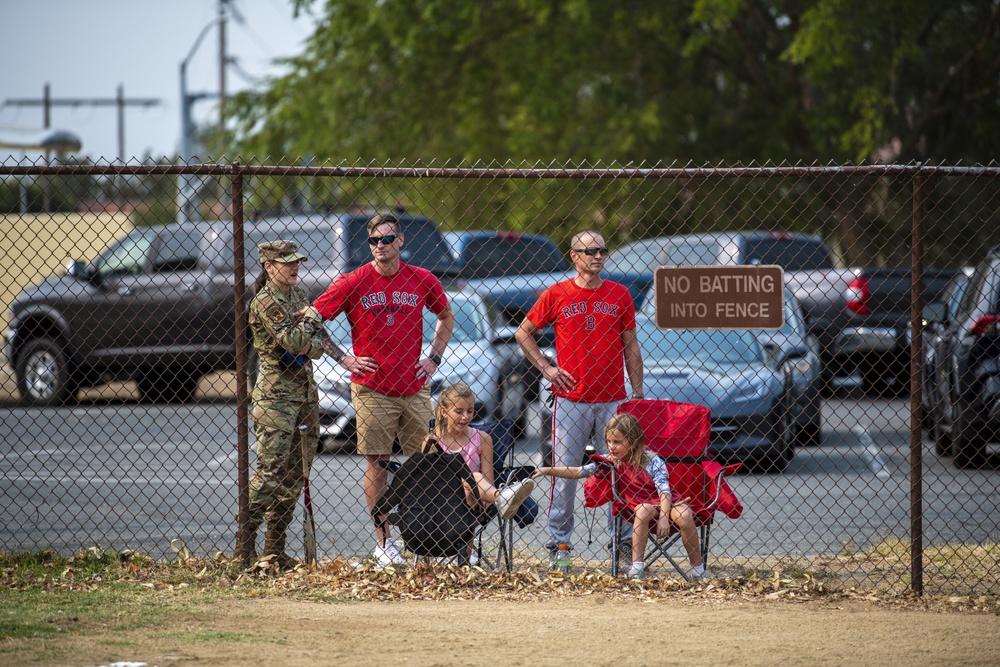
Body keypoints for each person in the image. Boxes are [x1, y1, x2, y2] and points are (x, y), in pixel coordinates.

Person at [313, 213, 454, 567]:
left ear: (400, 241)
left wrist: (433, 358)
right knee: (377, 462)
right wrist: (344, 359)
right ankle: (384, 543)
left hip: (414, 386)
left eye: (387, 240)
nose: (379, 246)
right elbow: (313, 318)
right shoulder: (353, 281)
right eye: (374, 241)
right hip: (372, 387)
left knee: (428, 461)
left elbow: (446, 316)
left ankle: (428, 540)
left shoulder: (422, 279)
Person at [515, 229, 644, 565]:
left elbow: (630, 345)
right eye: (589, 251)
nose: (597, 256)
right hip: (571, 399)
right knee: (564, 473)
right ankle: (560, 546)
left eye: (602, 250)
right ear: (574, 256)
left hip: (613, 399)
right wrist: (547, 368)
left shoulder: (620, 294)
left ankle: (623, 544)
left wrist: (638, 392)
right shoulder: (557, 294)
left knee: (620, 472)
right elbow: (523, 333)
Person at [532, 413, 705, 580]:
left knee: (685, 515)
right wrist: (546, 470)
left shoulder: (651, 461)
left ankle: (698, 570)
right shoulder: (610, 462)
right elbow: (578, 471)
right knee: (644, 510)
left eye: (617, 442)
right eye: (608, 441)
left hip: (667, 503)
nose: (611, 446)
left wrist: (664, 518)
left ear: (633, 441)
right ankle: (637, 568)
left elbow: (665, 492)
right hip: (641, 507)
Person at [246, 240, 329, 570]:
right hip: (276, 399)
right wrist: (310, 322)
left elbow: (319, 346)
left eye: (297, 261)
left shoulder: (299, 295)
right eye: (288, 263)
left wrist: (309, 330)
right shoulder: (265, 302)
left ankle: (273, 551)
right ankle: (244, 546)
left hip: (305, 395)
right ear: (269, 267)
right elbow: (296, 341)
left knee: (295, 476)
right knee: (270, 474)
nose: (296, 267)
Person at [425, 383, 535, 521]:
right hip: (441, 497)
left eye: (470, 411)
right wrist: (464, 484)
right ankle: (502, 499)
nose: (465, 417)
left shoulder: (482, 438)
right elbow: (432, 481)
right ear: (444, 412)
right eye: (459, 412)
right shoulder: (433, 440)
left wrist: (471, 489)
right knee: (471, 480)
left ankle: (500, 499)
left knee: (474, 480)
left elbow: (488, 480)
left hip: (477, 496)